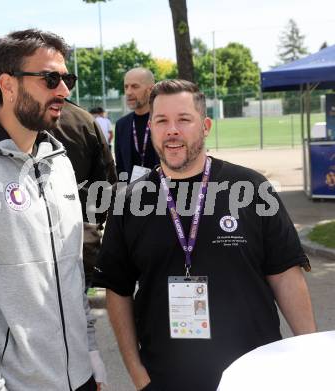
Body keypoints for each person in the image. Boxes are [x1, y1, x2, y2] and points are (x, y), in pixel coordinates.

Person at [93, 79, 316, 391]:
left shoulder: (251, 189)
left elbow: (285, 276)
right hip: (166, 379)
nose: (172, 130)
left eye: (184, 119)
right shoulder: (129, 202)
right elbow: (118, 290)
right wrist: (138, 375)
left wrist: (311, 358)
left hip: (255, 375)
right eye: (162, 121)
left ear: (206, 125)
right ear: (151, 129)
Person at [0, 29, 106, 391]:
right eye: (51, 79)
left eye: (66, 78)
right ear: (7, 85)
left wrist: (91, 358)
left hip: (81, 378)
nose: (64, 91)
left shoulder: (59, 162)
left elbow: (71, 273)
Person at [49, 100, 117, 289]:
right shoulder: (84, 119)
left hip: (67, 236)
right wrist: (96, 221)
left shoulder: (19, 119)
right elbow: (107, 180)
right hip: (81, 233)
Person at [114, 67, 159, 182]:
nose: (128, 92)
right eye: (126, 87)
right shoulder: (121, 125)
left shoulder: (165, 121)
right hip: (133, 196)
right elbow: (120, 167)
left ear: (151, 89)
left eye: (135, 86)